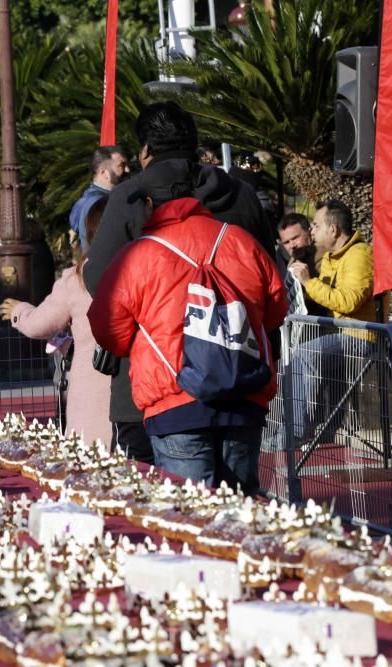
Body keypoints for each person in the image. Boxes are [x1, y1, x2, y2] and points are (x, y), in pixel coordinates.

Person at [83, 101, 276, 466]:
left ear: (144, 151)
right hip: (240, 372)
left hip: (159, 378)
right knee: (240, 509)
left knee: (174, 511)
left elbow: (101, 284)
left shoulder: (131, 197)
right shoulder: (241, 196)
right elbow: (272, 284)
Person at [0, 198, 111, 445]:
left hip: (91, 384)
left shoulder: (78, 279)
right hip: (138, 389)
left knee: (93, 460)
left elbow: (40, 323)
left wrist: (20, 310)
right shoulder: (142, 267)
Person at [283, 200, 381, 449]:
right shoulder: (328, 258)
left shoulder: (360, 255)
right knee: (319, 363)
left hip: (360, 336)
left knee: (306, 353)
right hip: (338, 334)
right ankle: (323, 432)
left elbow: (348, 302)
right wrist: (295, 284)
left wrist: (308, 282)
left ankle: (295, 433)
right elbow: (323, 295)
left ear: (334, 230)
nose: (312, 231)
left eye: (315, 225)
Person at [68, 146, 129, 255]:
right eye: (121, 165)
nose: (127, 169)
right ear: (103, 172)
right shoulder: (97, 204)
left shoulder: (88, 200)